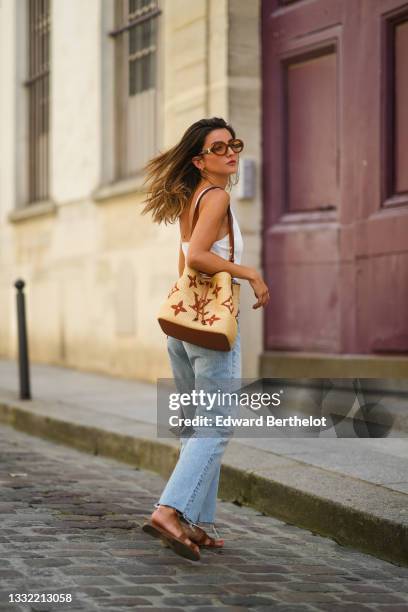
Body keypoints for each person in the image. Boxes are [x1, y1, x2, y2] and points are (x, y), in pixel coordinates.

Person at [140, 117, 270, 561]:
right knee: (215, 425)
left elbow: (187, 262)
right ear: (200, 160)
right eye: (219, 147)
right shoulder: (216, 196)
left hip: (184, 327)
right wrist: (248, 273)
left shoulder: (191, 197)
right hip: (211, 329)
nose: (231, 152)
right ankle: (170, 510)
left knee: (197, 426)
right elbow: (197, 256)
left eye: (234, 143)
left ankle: (198, 522)